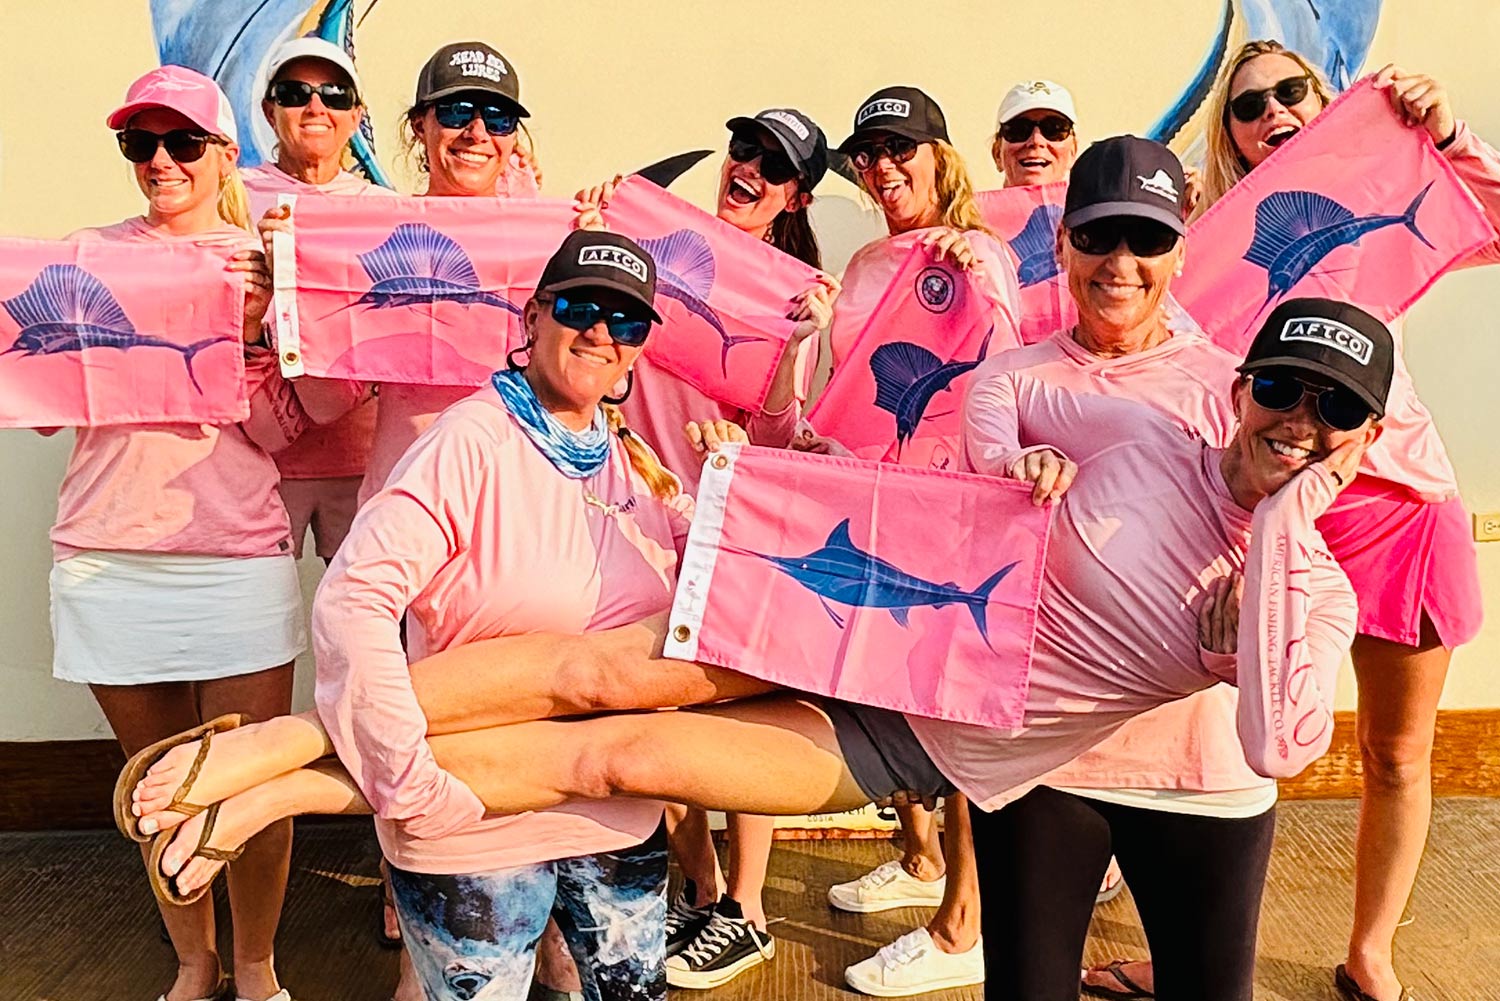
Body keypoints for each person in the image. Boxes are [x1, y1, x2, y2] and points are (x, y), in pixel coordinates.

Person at [129, 300, 1390, 1001]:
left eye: (1336, 410)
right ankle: (284, 740)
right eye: (1285, 386)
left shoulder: (1309, 586)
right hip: (876, 608)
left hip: (912, 733)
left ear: (1362, 437)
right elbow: (1001, 383)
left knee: (615, 755)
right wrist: (1014, 462)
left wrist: (1280, 537)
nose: (1301, 418)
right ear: (1243, 385)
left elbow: (1284, 740)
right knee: (594, 671)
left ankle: (283, 786)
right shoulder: (1150, 425)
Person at [1199, 41, 1500, 1001]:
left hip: (1405, 511)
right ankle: (1198, 950)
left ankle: (1371, 949)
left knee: (1395, 753)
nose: (1273, 112)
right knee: (1222, 756)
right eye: (1249, 107)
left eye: (1292, 92)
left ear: (1324, 101)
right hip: (1277, 519)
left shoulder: (1377, 204)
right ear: (1232, 138)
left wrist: (1448, 136)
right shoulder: (1210, 247)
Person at [962, 135, 1276, 1001]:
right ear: (1062, 243)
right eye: (1099, 237)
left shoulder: (1236, 386)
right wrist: (1015, 479)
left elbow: (1302, 494)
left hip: (1202, 760)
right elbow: (984, 480)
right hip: (1045, 758)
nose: (1121, 263)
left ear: (1181, 247)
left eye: (1147, 238)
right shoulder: (1010, 379)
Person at [52, 65, 312, 1001]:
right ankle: (193, 964)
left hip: (234, 557)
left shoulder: (263, 266)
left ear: (223, 154)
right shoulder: (84, 258)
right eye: (140, 143)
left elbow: (292, 431)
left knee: (252, 779)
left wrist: (257, 329)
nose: (160, 160)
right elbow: (43, 404)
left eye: (181, 142)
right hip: (107, 556)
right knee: (159, 783)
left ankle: (257, 965)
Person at [573, 107, 838, 988]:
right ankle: (702, 884)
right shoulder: (649, 242)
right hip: (629, 511)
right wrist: (599, 223)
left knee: (732, 718)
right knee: (658, 714)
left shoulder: (795, 291)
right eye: (744, 149)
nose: (749, 168)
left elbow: (778, 431)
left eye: (774, 164)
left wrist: (802, 346)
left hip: (725, 526)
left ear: (795, 193)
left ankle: (750, 911)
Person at [817, 84, 1025, 996]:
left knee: (957, 711)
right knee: (884, 683)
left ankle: (964, 923)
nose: (885, 166)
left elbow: (1006, 370)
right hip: (877, 501)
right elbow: (848, 389)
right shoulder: (865, 260)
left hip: (958, 512)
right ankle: (919, 856)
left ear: (943, 155)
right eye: (870, 154)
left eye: (903, 147)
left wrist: (973, 276)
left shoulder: (976, 252)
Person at [242, 36, 395, 567]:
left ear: (356, 115)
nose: (315, 107)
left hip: (364, 457)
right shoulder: (229, 196)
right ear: (269, 110)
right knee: (252, 629)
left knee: (367, 622)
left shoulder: (388, 209)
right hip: (255, 457)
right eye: (294, 92)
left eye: (333, 94)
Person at [990, 79, 1079, 186]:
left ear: (1073, 151)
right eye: (1019, 129)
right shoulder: (973, 203)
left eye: (1053, 129)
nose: (1036, 141)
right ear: (997, 153)